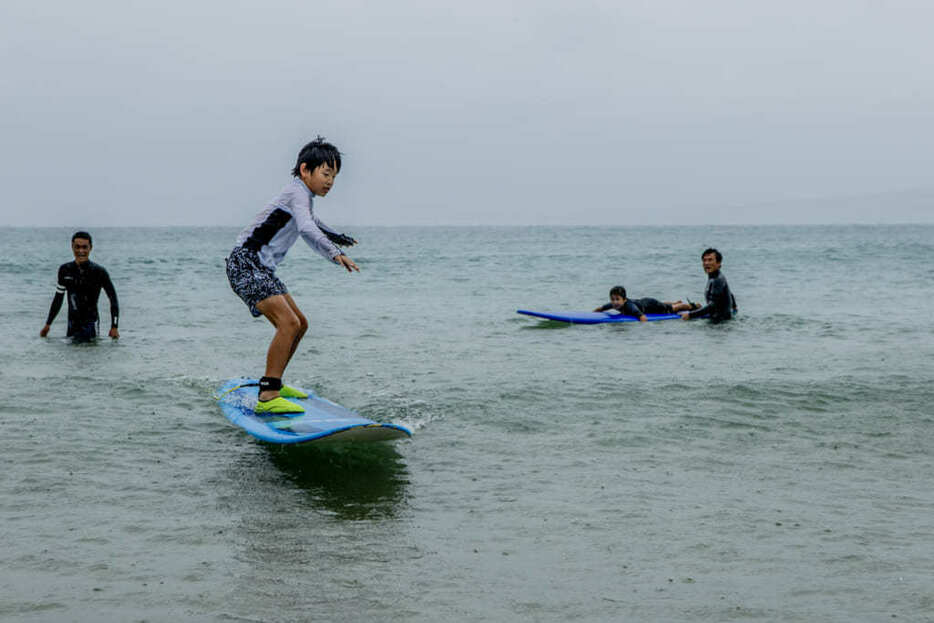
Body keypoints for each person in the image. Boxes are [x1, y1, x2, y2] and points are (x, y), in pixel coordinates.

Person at [226, 137, 359, 414]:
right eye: (326, 174)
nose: (330, 182)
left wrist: (338, 237)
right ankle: (268, 394)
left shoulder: (302, 198)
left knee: (300, 323)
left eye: (334, 176)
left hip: (260, 268)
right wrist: (334, 252)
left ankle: (274, 382)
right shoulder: (296, 193)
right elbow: (308, 228)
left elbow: (313, 223)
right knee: (288, 323)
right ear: (304, 170)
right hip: (245, 263)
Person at [40, 231, 119, 342]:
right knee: (71, 356)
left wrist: (114, 326)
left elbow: (113, 298)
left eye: (84, 247)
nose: (81, 251)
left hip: (91, 324)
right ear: (72, 247)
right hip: (72, 324)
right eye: (77, 247)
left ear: (90, 248)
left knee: (91, 355)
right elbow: (58, 299)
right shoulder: (65, 270)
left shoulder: (99, 272)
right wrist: (48, 324)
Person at [680, 248, 737, 322]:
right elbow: (730, 294)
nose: (706, 263)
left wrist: (690, 315)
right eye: (704, 260)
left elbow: (712, 306)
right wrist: (734, 308)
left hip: (719, 325)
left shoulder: (717, 280)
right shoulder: (716, 277)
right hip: (721, 321)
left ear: (719, 263)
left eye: (710, 260)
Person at [594, 286, 697, 322]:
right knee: (664, 304)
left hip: (651, 306)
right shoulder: (613, 304)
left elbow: (643, 317)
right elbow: (600, 308)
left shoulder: (630, 307)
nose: (615, 302)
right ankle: (674, 302)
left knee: (671, 309)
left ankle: (691, 306)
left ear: (624, 300)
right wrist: (592, 313)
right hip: (644, 302)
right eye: (612, 299)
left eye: (617, 299)